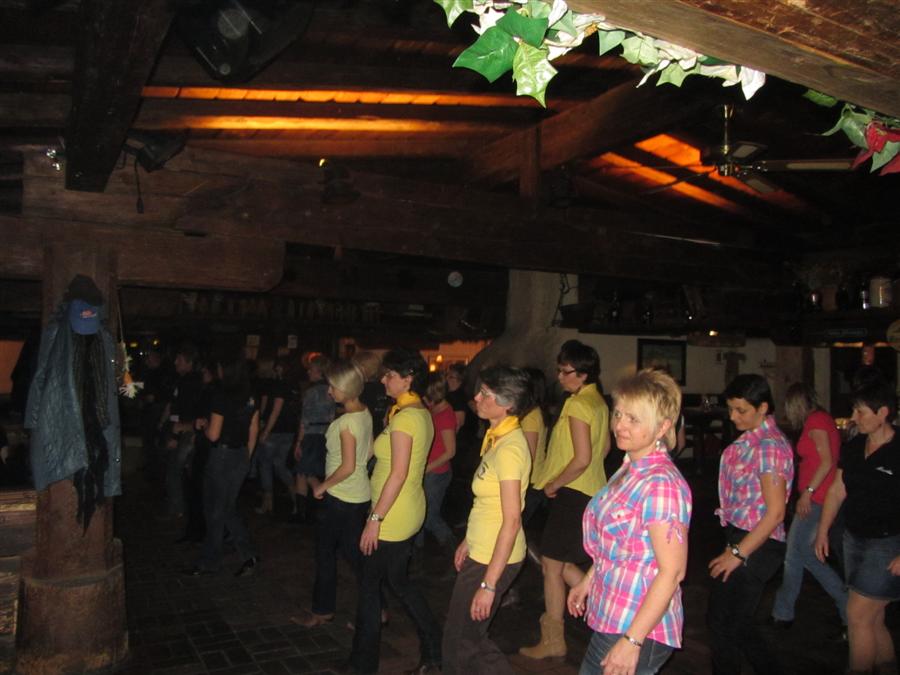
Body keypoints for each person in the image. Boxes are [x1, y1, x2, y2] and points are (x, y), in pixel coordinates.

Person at [568, 368, 691, 675]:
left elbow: (673, 571)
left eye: (633, 419)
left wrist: (632, 640)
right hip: (616, 614)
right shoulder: (630, 466)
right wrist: (589, 579)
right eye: (618, 414)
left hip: (638, 625)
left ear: (663, 427)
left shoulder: (661, 484)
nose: (619, 425)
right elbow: (620, 542)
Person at [348, 349, 442, 675]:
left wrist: (375, 519)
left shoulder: (406, 418)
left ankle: (362, 664)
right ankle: (433, 647)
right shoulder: (414, 412)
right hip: (404, 508)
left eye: (390, 375)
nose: (383, 380)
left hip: (393, 514)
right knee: (399, 583)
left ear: (408, 379)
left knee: (370, 588)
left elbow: (398, 473)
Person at [521, 340, 610, 660]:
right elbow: (604, 449)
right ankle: (606, 605)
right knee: (557, 562)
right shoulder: (598, 402)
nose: (559, 377)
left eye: (565, 371)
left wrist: (554, 483)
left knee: (551, 565)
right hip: (590, 491)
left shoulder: (577, 405)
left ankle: (554, 638)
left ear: (583, 374)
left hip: (572, 492)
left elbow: (582, 458)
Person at [442, 366, 532, 675]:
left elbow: (511, 520)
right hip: (483, 549)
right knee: (466, 639)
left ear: (508, 404)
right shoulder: (498, 438)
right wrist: (469, 540)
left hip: (493, 557)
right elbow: (488, 503)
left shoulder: (509, 449)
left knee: (461, 643)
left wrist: (489, 584)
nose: (477, 398)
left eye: (486, 394)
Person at [707, 374, 793, 675]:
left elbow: (776, 513)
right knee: (736, 625)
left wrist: (738, 553)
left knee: (723, 624)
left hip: (758, 543)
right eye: (731, 409)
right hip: (743, 537)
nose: (733, 417)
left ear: (763, 407)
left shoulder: (769, 446)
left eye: (741, 410)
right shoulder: (751, 439)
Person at [814, 381, 900, 675]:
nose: (853, 417)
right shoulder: (853, 446)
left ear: (883, 413)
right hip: (854, 539)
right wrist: (823, 530)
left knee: (857, 616)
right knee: (873, 619)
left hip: (888, 544)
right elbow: (837, 490)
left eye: (860, 412)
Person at [296, 360, 373, 627]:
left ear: (346, 388)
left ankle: (323, 610)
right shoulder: (364, 412)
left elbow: (348, 466)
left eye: (333, 387)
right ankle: (377, 607)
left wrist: (323, 485)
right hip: (358, 494)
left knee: (326, 553)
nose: (329, 391)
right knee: (354, 556)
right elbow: (368, 452)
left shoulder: (346, 422)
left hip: (341, 497)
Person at [770, 383, 847, 631]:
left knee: (796, 554)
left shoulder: (816, 421)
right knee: (801, 554)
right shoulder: (821, 419)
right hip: (818, 496)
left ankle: (785, 613)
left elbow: (827, 462)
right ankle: (785, 612)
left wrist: (808, 493)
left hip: (818, 498)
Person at [187, 356, 259, 576]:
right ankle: (248, 555)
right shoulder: (250, 396)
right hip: (240, 454)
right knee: (227, 508)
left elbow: (214, 434)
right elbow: (253, 429)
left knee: (215, 509)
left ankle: (210, 561)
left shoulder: (222, 396)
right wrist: (246, 457)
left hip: (222, 456)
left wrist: (202, 425)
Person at [416, 372, 457, 551]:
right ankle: (416, 552)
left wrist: (425, 468)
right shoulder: (435, 410)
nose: (423, 400)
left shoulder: (445, 414)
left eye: (425, 397)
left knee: (429, 517)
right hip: (430, 471)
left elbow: (450, 451)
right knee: (420, 514)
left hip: (436, 474)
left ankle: (455, 549)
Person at [292, 354, 334, 522]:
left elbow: (305, 419)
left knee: (304, 471)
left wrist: (299, 442)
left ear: (319, 371)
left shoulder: (310, 392)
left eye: (311, 369)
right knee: (308, 472)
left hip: (311, 435)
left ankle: (308, 510)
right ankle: (306, 512)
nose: (308, 372)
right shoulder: (332, 389)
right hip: (326, 435)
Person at [255, 357, 299, 516]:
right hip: (289, 430)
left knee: (265, 464)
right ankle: (296, 500)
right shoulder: (294, 385)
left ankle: (268, 502)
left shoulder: (279, 385)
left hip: (276, 430)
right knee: (279, 464)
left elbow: (276, 409)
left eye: (278, 367)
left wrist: (266, 430)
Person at [521, 367, 549, 526]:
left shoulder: (530, 416)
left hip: (531, 481)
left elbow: (528, 454)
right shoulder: (536, 412)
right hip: (535, 479)